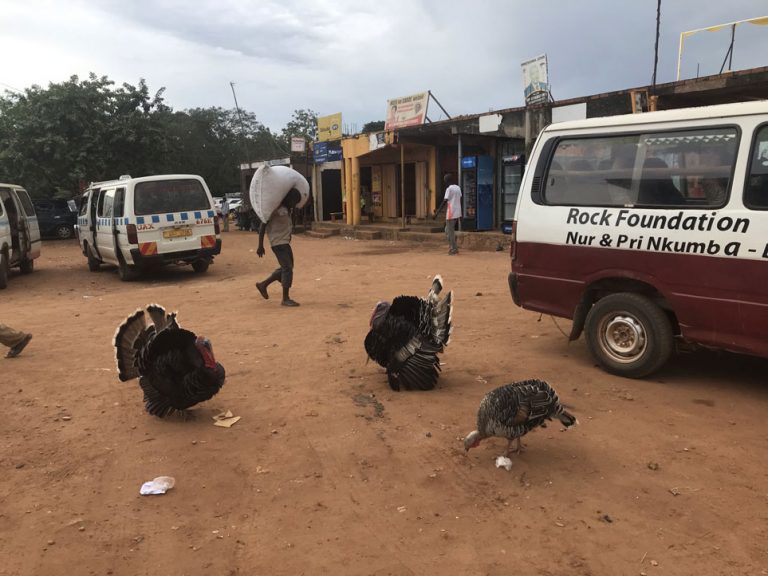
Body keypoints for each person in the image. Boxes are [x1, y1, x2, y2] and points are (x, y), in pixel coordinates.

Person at [255, 188, 302, 307]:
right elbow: (263, 225)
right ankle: (285, 299)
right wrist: (260, 245)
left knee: (287, 267)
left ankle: (263, 285)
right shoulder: (274, 208)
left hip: (284, 242)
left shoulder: (286, 209)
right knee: (287, 268)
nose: (294, 204)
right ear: (288, 198)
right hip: (277, 242)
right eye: (293, 201)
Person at [434, 174, 462, 255]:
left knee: (449, 232)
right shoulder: (458, 187)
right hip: (457, 212)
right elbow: (460, 199)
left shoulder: (449, 189)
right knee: (447, 230)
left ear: (446, 181)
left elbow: (445, 201)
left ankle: (453, 249)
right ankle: (454, 240)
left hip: (451, 213)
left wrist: (437, 213)